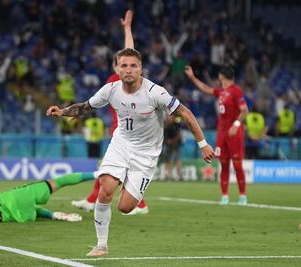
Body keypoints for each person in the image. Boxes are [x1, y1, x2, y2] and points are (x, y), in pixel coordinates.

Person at [46, 48, 214, 256]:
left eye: (133, 65)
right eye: (124, 65)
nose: (128, 70)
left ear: (141, 69)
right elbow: (85, 107)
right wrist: (62, 112)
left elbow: (186, 113)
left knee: (125, 207)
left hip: (146, 155)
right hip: (121, 145)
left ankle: (127, 181)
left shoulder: (155, 93)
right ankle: (101, 245)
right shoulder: (110, 90)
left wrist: (203, 144)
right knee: (105, 188)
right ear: (117, 68)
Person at [71, 10, 149, 216]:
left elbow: (129, 49)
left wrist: (127, 29)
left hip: (128, 131)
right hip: (120, 129)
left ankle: (97, 201)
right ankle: (138, 204)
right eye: (121, 64)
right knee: (114, 169)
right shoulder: (113, 81)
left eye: (126, 64)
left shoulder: (122, 79)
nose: (124, 67)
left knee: (111, 168)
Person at [0, 127, 95, 223]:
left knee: (30, 209)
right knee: (59, 182)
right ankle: (97, 174)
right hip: (16, 198)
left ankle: (54, 215)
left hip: (18, 218)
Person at [185, 65, 248, 205]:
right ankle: (224, 196)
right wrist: (192, 77)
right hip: (222, 133)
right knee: (224, 164)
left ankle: (242, 196)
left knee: (237, 165)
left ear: (221, 76)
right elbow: (206, 89)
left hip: (234, 132)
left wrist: (236, 125)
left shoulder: (236, 91)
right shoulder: (222, 91)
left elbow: (244, 110)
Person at [164, 115, 183, 180]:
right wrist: (167, 141)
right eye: (169, 117)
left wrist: (172, 141)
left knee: (177, 160)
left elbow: (179, 135)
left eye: (171, 117)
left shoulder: (177, 125)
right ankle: (168, 175)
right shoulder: (166, 126)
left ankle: (180, 176)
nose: (169, 119)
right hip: (168, 146)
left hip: (176, 145)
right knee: (168, 160)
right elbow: (164, 137)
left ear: (173, 118)